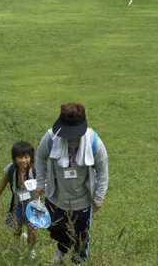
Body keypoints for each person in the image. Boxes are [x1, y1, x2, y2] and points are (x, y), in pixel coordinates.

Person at [35, 103, 108, 264]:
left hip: (81, 199)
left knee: (80, 236)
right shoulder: (51, 137)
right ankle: (62, 247)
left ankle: (78, 260)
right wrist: (40, 182)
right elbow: (41, 157)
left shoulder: (94, 142)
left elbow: (102, 171)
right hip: (56, 195)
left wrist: (99, 197)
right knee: (54, 228)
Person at [0, 142, 37, 258]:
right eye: (20, 157)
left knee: (32, 231)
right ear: (14, 158)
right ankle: (16, 248)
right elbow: (3, 182)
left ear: (31, 157)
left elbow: (44, 184)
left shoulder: (35, 170)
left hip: (32, 204)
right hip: (16, 203)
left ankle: (31, 250)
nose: (24, 160)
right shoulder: (11, 168)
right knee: (16, 229)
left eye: (27, 157)